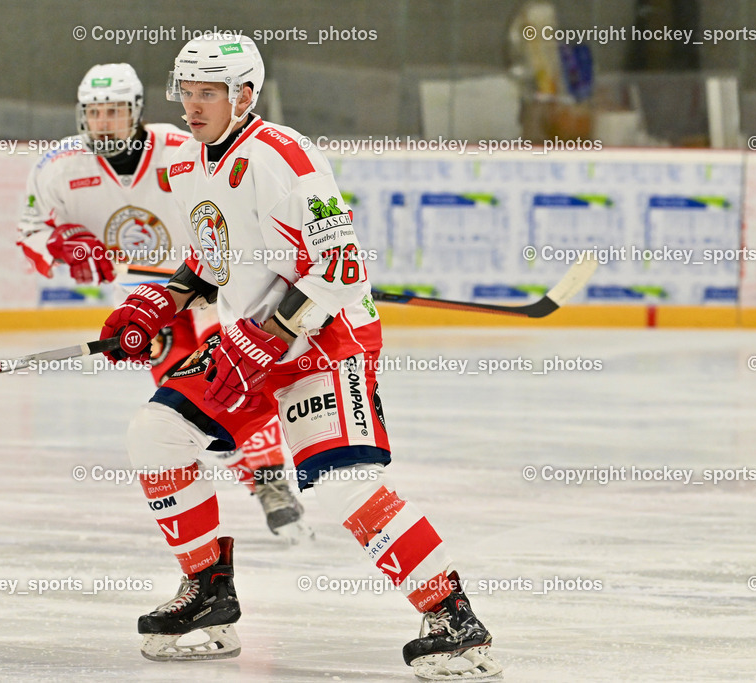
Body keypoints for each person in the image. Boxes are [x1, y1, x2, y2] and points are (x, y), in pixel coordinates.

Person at [99, 37, 502, 679]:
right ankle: (209, 593)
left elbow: (341, 267)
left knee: (342, 482)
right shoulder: (189, 166)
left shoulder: (281, 156)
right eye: (188, 92)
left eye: (210, 93)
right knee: (157, 433)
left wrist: (265, 338)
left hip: (326, 339)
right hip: (259, 339)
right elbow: (212, 262)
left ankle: (452, 616)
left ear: (245, 96)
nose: (194, 105)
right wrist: (154, 305)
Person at [16, 63, 310, 541]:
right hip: (145, 300)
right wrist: (58, 246)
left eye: (114, 111)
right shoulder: (56, 168)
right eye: (94, 112)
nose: (103, 122)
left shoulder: (180, 149)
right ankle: (253, 472)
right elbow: (30, 234)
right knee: (183, 388)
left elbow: (230, 204)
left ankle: (269, 481)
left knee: (231, 379)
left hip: (205, 284)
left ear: (134, 112)